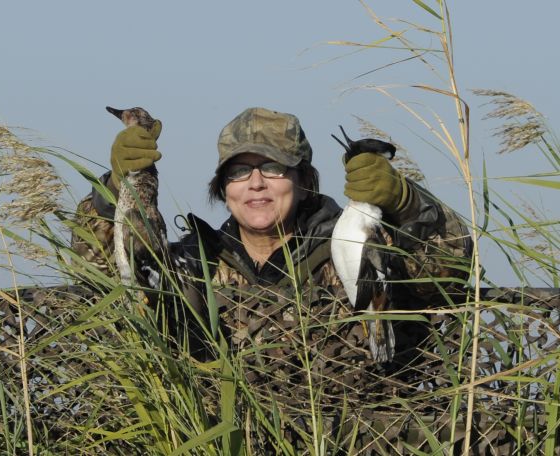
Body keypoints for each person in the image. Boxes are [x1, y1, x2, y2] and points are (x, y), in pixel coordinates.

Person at [72, 106, 472, 445]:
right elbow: (99, 272)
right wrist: (115, 193)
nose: (256, 183)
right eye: (238, 172)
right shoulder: (192, 264)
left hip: (354, 443)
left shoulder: (354, 247)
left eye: (273, 167)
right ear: (222, 187)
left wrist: (407, 204)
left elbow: (448, 271)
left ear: (304, 180)